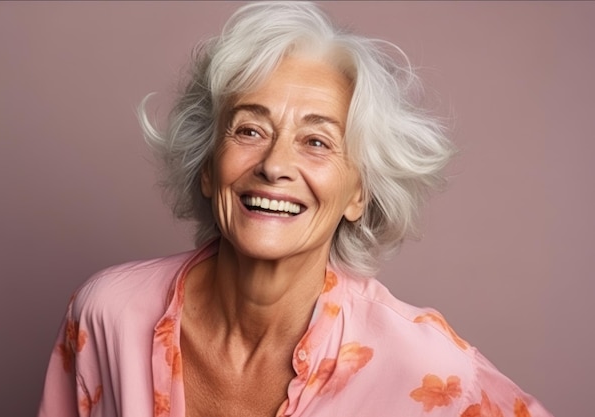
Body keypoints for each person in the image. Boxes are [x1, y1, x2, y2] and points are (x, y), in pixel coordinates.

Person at [37, 2, 553, 417]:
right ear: (207, 164)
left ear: (358, 192)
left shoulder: (427, 370)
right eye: (250, 130)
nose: (275, 165)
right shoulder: (107, 314)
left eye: (317, 141)